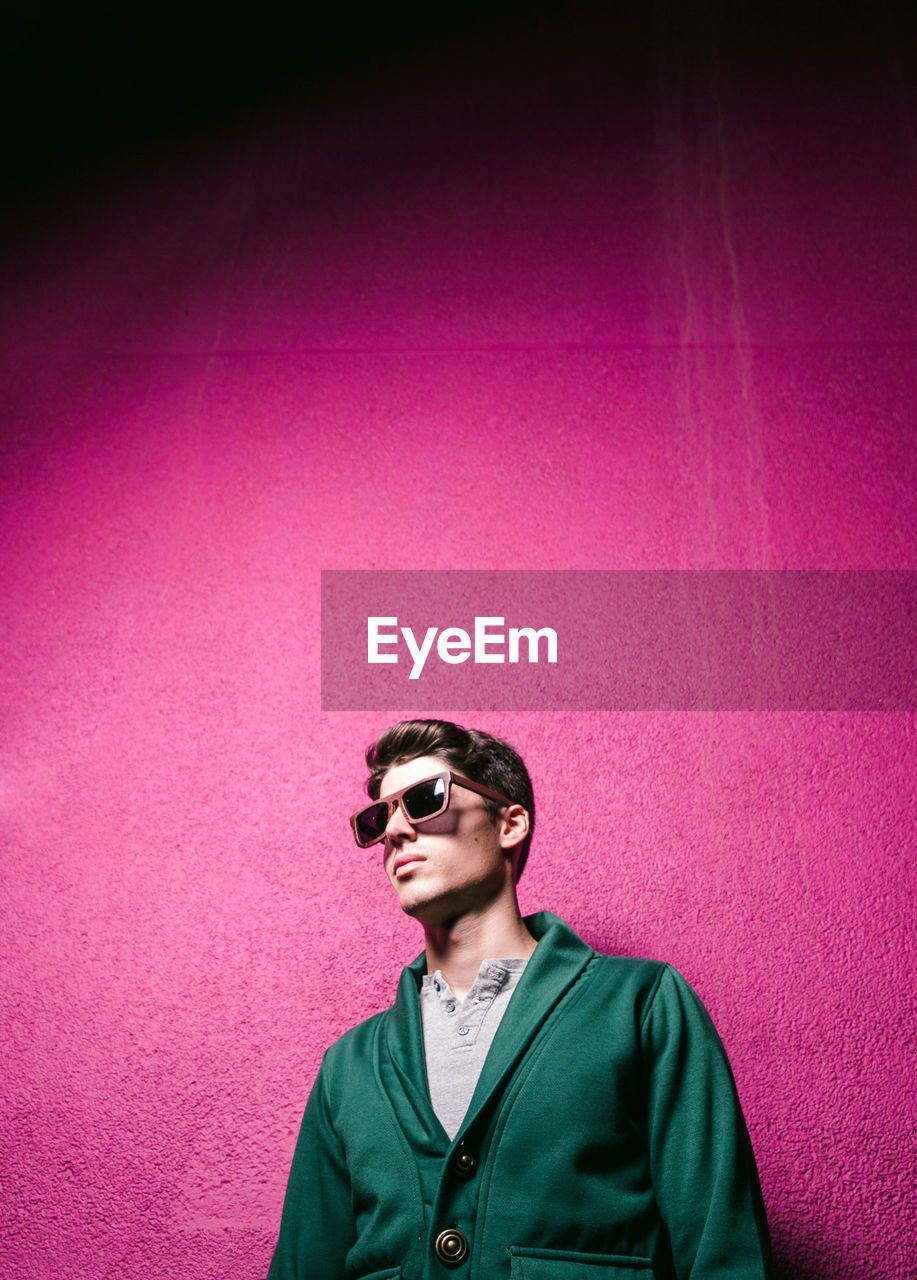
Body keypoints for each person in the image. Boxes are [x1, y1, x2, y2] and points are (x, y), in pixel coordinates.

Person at [267, 719, 772, 1279]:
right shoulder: (347, 1067)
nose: (396, 832)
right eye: (378, 818)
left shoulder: (642, 1005)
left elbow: (725, 1255)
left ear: (510, 822)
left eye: (424, 799)